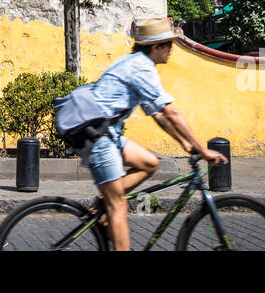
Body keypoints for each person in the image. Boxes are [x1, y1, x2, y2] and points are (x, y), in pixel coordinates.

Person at [83, 17, 227, 251]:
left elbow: (157, 115)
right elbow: (170, 112)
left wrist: (183, 142)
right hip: (97, 135)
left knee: (149, 163)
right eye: (168, 45)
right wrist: (202, 149)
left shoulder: (138, 63)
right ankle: (109, 205)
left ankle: (102, 203)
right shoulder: (141, 68)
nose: (171, 50)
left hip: (106, 132)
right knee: (119, 207)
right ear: (155, 47)